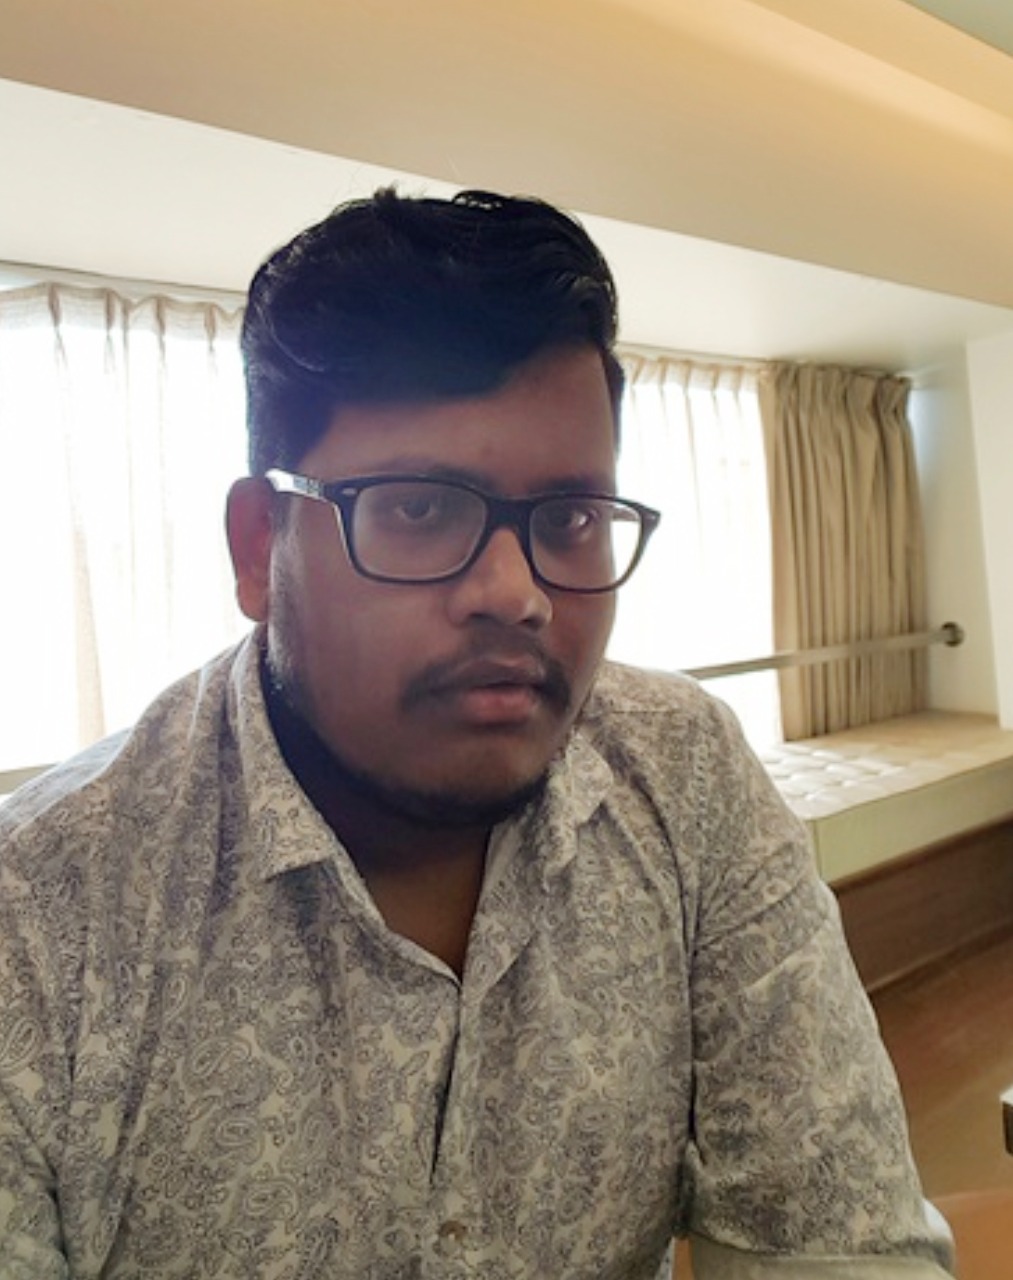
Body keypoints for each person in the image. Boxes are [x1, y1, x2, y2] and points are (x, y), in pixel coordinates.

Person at [0, 188, 953, 1279]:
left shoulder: (683, 774)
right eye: (418, 507)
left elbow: (832, 1242)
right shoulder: (41, 914)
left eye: (570, 519)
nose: (516, 594)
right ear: (260, 546)